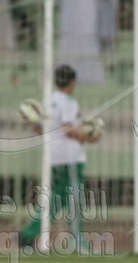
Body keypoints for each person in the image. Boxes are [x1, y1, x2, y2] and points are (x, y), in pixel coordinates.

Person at [19, 65, 101, 249]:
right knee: (73, 197)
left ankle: (29, 234)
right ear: (72, 82)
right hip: (70, 157)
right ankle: (76, 238)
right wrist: (90, 137)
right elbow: (68, 128)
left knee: (60, 197)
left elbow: (39, 128)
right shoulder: (69, 102)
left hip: (54, 156)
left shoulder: (47, 101)